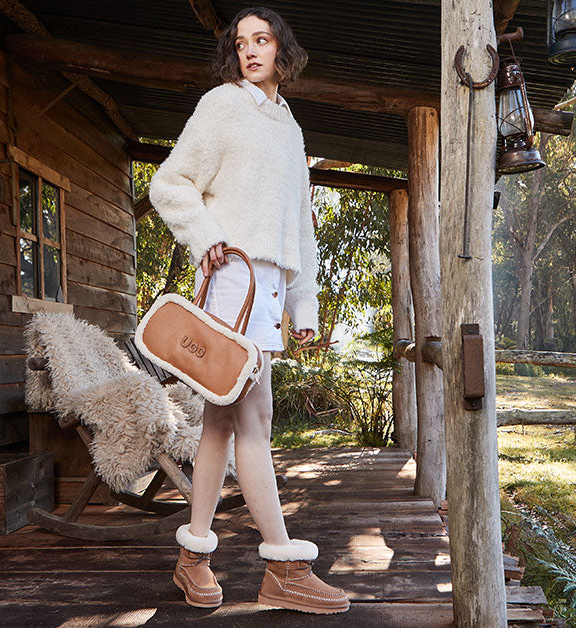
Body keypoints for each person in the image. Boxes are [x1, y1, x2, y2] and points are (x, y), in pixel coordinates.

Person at [147, 6, 350, 616]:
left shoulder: (291, 128)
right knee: (253, 422)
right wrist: (206, 238)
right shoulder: (222, 106)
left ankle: (193, 560)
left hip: (269, 289)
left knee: (219, 423)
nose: (250, 51)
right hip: (232, 279)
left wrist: (303, 301)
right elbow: (169, 182)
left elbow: (301, 227)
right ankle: (283, 565)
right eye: (241, 43)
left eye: (262, 40)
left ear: (283, 51)